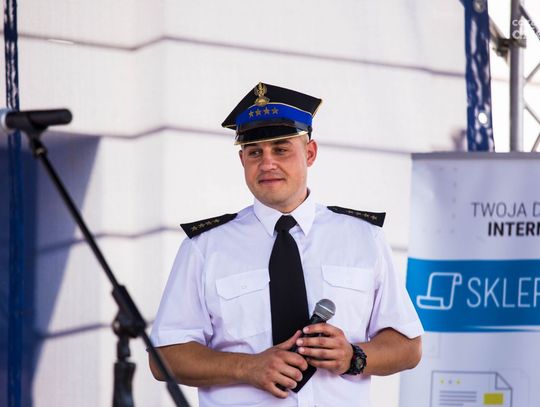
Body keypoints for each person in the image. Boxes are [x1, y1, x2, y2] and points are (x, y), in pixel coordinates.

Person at [149, 82, 423, 406]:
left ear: (310, 153)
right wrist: (246, 367)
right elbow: (164, 356)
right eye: (255, 152)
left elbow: (408, 345)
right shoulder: (205, 247)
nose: (267, 163)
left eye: (281, 149)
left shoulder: (362, 238)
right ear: (242, 160)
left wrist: (354, 356)